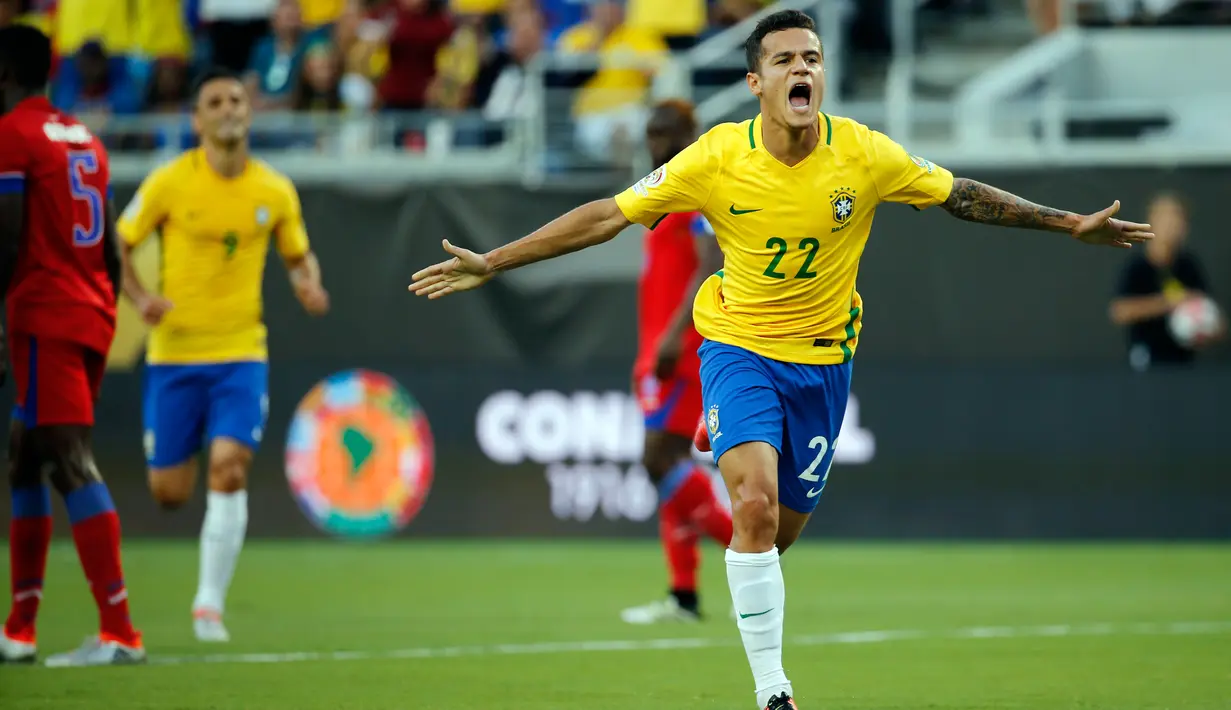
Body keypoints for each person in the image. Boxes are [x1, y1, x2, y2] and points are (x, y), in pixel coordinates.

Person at [408, 10, 1153, 709]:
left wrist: (1067, 224)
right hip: (735, 346)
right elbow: (608, 214)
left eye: (813, 59)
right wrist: (495, 260)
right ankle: (773, 691)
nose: (803, 70)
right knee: (754, 509)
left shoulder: (861, 153)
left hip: (824, 365)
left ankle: (730, 445)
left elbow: (958, 194)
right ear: (755, 83)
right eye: (784, 60)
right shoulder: (716, 156)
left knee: (777, 533)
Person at [116, 67, 330, 644]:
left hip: (240, 352)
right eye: (216, 101)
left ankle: (208, 604)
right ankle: (202, 585)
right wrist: (139, 297)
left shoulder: (273, 189)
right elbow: (119, 239)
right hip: (174, 355)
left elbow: (298, 256)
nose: (230, 108)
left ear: (249, 112)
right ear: (197, 119)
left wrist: (308, 283)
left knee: (230, 466)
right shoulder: (169, 182)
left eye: (238, 98)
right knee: (170, 493)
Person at [0, 24, 145, 667]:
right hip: (88, 308)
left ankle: (120, 632)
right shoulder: (84, 136)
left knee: (68, 456)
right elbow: (111, 244)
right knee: (25, 452)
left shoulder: (13, 135)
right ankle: (19, 629)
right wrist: (103, 309)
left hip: (44, 308)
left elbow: (8, 236)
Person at [620, 99, 732, 626]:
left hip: (683, 351)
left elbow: (712, 262)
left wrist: (670, 335)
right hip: (656, 351)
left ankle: (750, 546)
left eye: (664, 132)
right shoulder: (662, 194)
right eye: (650, 133)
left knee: (658, 460)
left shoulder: (697, 190)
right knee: (670, 469)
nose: (655, 142)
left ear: (690, 132)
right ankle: (683, 596)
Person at [1108, 191, 1224, 371]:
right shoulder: (1138, 267)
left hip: (1184, 364)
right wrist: (1170, 303)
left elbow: (1213, 317)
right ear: (1151, 222)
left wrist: (1205, 326)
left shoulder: (1188, 266)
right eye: (1166, 219)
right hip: (1147, 362)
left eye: (1178, 221)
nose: (1172, 227)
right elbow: (1120, 311)